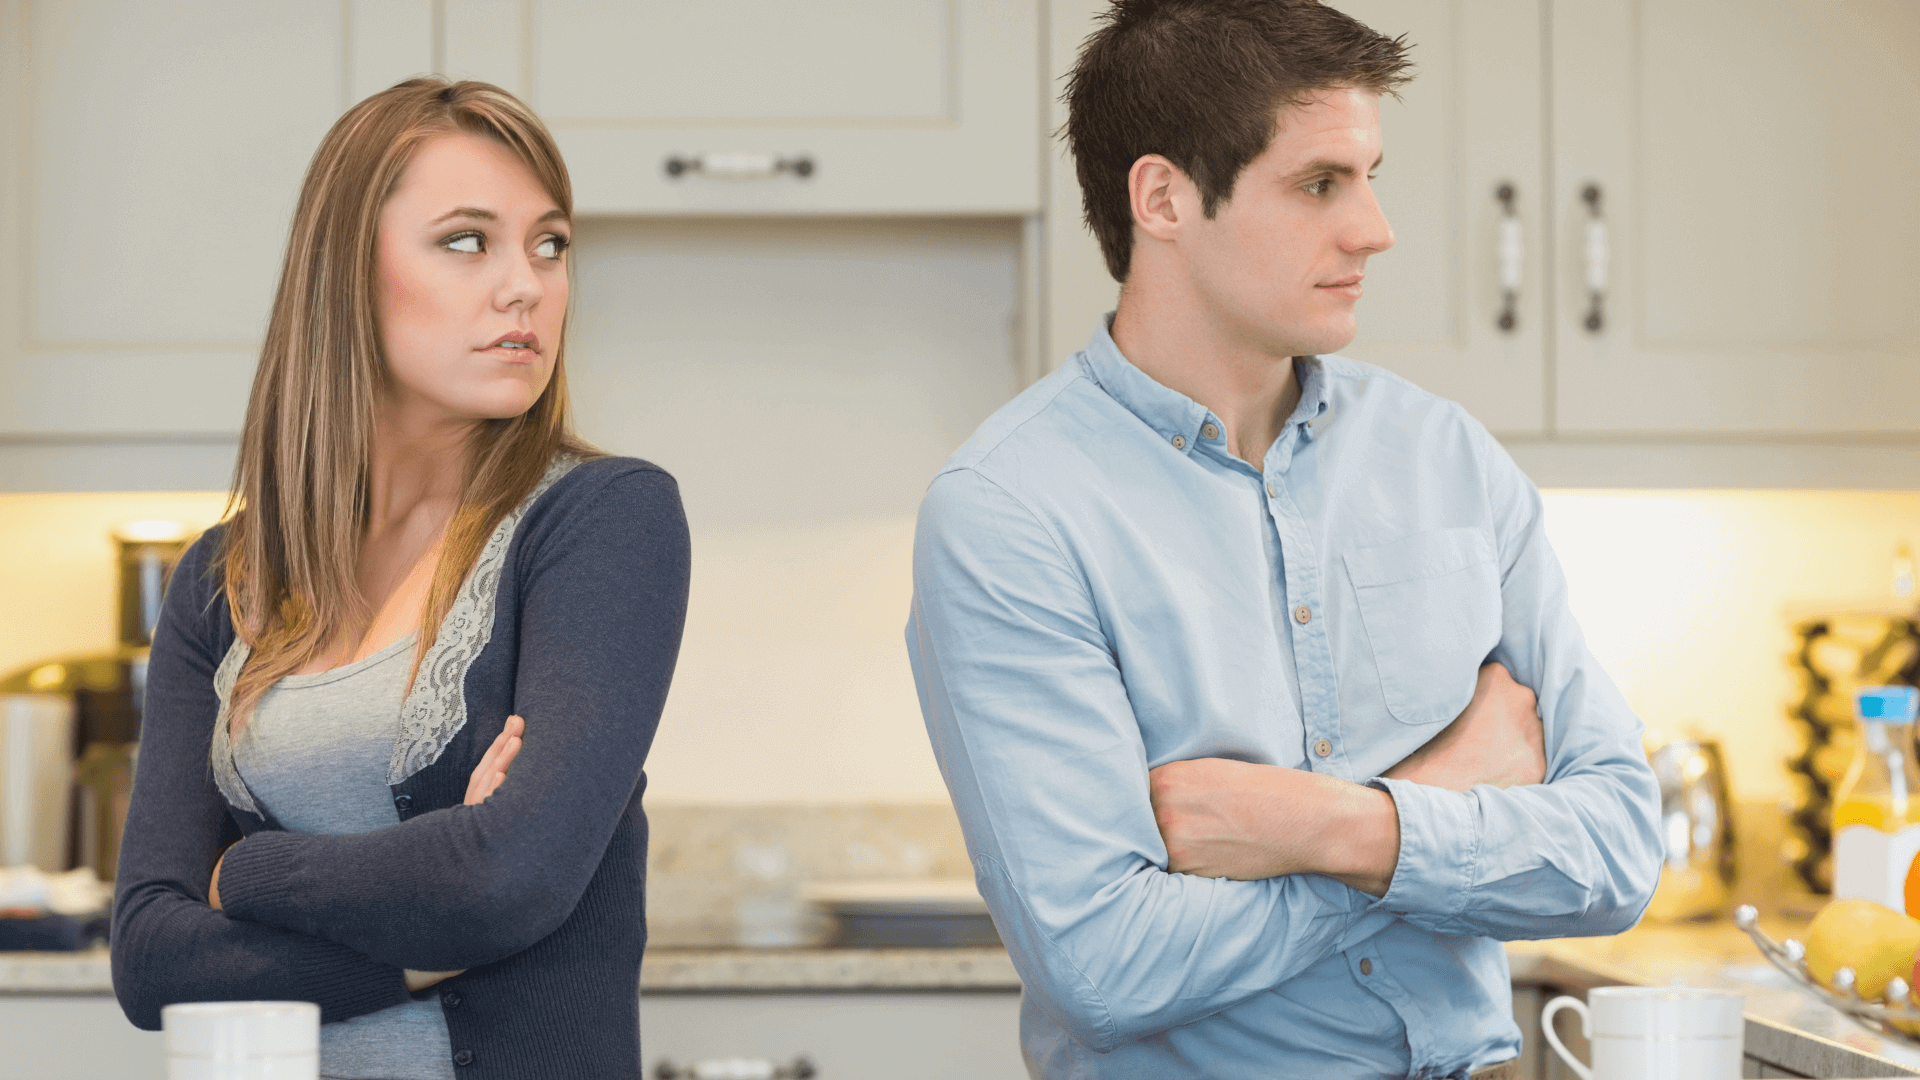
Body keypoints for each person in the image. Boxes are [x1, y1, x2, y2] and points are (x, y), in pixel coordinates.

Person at [905, 2, 1663, 1076]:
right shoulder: (1010, 509)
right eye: (1319, 184)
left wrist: (1330, 828)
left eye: (1371, 175)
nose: (1374, 228)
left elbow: (1623, 850)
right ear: (1163, 197)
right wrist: (1444, 801)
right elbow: (1106, 964)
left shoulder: (1448, 459)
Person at [110, 78, 690, 1079]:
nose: (527, 286)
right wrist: (423, 953)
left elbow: (506, 880)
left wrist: (243, 871)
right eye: (468, 241)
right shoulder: (221, 577)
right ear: (346, 272)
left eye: (550, 244)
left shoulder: (603, 520)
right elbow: (150, 960)